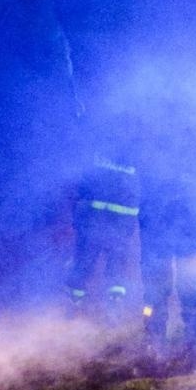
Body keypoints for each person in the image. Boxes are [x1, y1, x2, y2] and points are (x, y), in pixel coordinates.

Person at [137, 119, 196, 359]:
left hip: (179, 236)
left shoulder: (193, 155)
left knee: (187, 291)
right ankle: (162, 344)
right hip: (165, 237)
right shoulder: (161, 154)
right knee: (163, 291)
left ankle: (189, 343)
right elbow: (138, 192)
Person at [66, 129, 140, 323]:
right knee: (114, 269)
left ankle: (75, 308)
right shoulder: (134, 161)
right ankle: (113, 309)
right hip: (118, 227)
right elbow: (137, 197)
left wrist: (79, 220)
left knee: (83, 264)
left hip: (93, 224)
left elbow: (82, 189)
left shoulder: (96, 157)